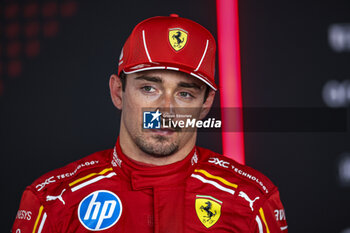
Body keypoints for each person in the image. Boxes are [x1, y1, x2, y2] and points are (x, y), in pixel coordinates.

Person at [12, 15, 288, 233]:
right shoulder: (53, 201)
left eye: (184, 94)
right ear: (118, 92)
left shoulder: (252, 202)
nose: (165, 109)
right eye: (149, 89)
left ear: (205, 105)